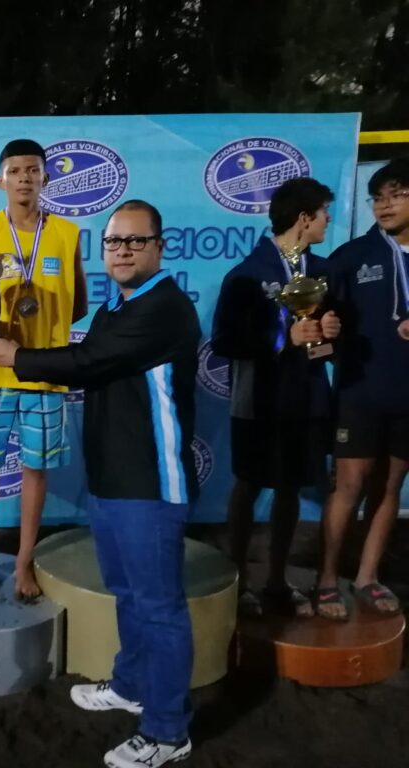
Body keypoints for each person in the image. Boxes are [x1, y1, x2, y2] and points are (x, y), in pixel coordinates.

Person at [0, 200, 199, 768]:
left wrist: (13, 354)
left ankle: (169, 733)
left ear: (159, 246)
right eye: (114, 242)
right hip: (112, 477)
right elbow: (86, 356)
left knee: (160, 607)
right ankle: (130, 685)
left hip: (150, 481)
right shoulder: (115, 306)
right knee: (129, 595)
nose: (122, 251)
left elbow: (87, 361)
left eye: (135, 241)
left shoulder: (165, 308)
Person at [0, 138, 87, 599]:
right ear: (1, 181)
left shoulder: (67, 234)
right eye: (16, 171)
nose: (25, 179)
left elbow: (79, 305)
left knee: (36, 470)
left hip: (45, 373)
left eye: (33, 170)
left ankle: (25, 563)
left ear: (45, 178)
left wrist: (39, 329)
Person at [210, 177, 340, 618]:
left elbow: (329, 339)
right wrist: (281, 336)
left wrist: (328, 335)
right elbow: (225, 340)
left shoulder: (323, 272)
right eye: (324, 213)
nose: (328, 221)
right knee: (247, 486)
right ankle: (237, 581)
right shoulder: (246, 274)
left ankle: (277, 580)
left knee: (289, 489)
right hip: (258, 400)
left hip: (307, 400)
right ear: (304, 218)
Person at [317, 158, 409, 620]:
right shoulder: (351, 258)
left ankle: (369, 576)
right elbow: (316, 324)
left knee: (389, 487)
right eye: (377, 197)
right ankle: (328, 579)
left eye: (396, 194)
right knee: (349, 485)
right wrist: (325, 329)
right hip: (360, 391)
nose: (384, 205)